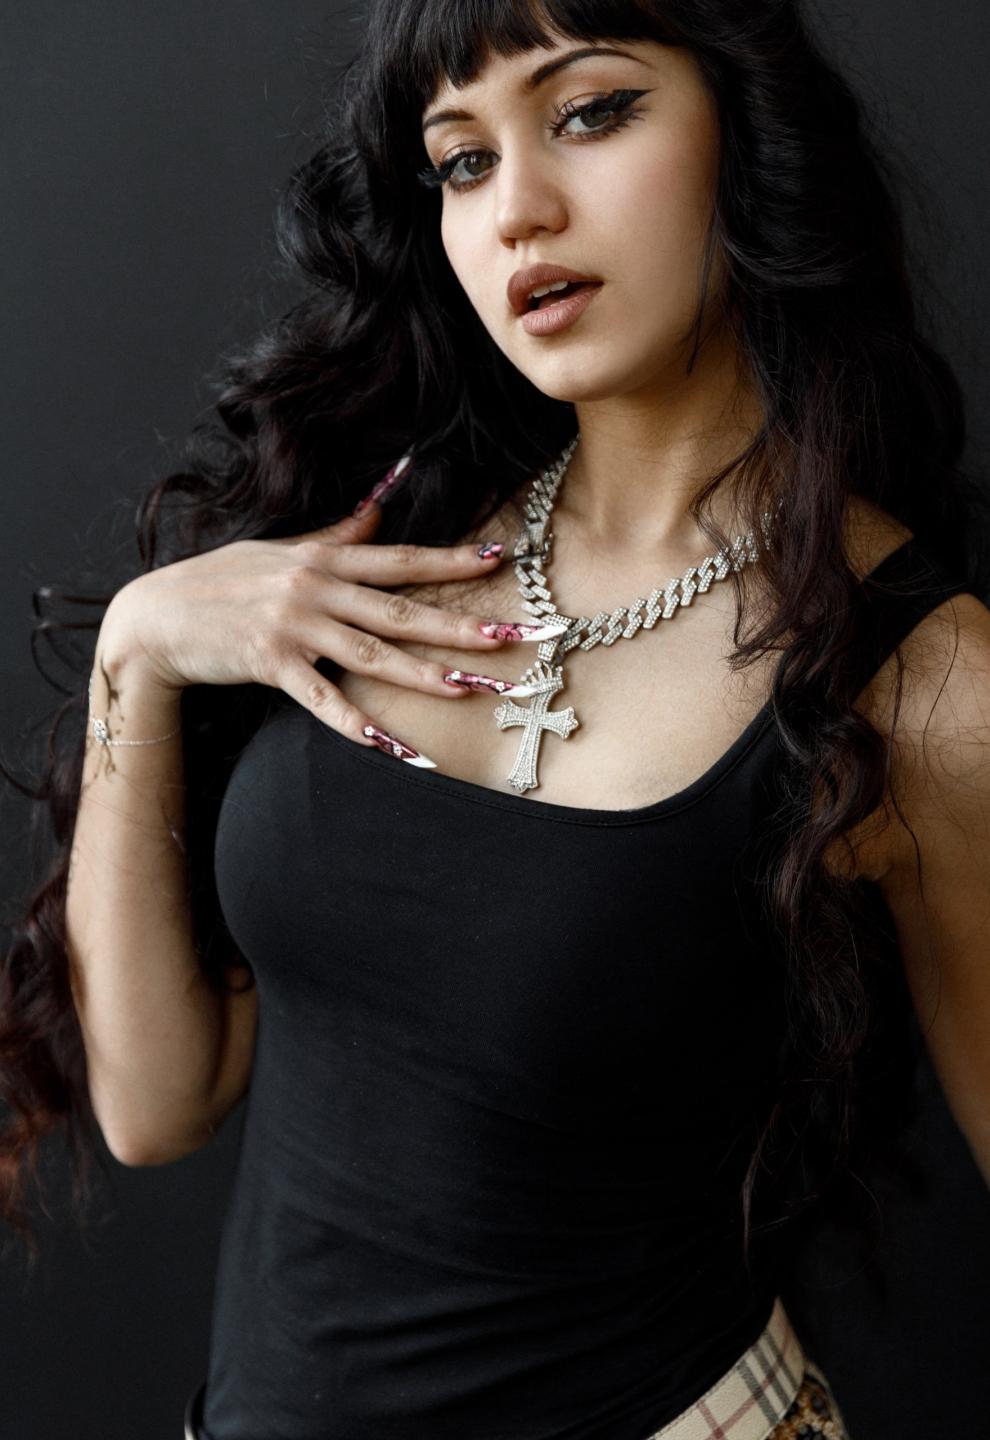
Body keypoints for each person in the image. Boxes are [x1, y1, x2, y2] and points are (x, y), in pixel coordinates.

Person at [2, 1, 989, 1437]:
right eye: (461, 160)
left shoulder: (919, 676)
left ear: (750, 137)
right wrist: (139, 651)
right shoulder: (379, 530)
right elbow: (155, 1103)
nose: (518, 209)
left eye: (590, 113)